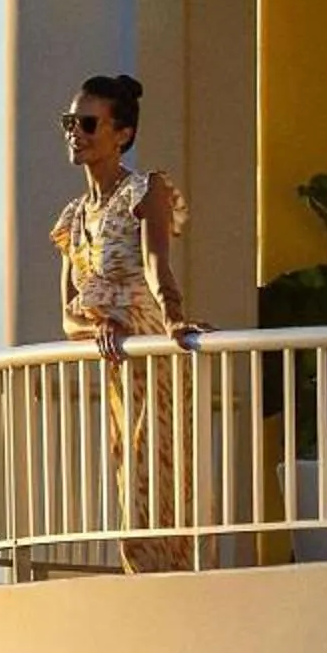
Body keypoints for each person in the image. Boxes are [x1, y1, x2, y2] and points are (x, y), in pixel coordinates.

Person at [53, 74, 202, 571]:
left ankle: (168, 576)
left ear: (122, 134)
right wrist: (98, 326)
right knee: (126, 472)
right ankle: (148, 577)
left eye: (89, 122)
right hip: (116, 360)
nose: (76, 132)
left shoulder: (145, 190)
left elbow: (159, 266)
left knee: (155, 466)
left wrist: (174, 317)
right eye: (70, 122)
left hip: (146, 347)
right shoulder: (75, 217)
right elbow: (69, 309)